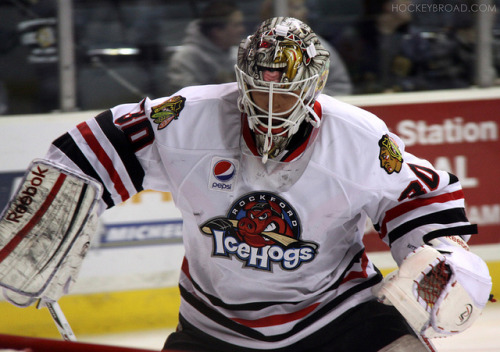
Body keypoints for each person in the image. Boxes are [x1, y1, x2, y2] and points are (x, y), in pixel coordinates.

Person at [1, 17, 492, 352]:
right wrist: (45, 215)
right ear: (240, 78)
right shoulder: (189, 117)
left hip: (335, 316)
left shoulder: (359, 138)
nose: (269, 104)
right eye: (259, 89)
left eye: (286, 92)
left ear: (314, 87)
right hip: (216, 325)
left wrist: (438, 254)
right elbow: (92, 147)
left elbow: (421, 194)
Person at [260, 0, 353, 95]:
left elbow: (341, 89)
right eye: (297, 8)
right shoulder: (257, 44)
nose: (305, 12)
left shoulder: (315, 45)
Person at [165, 0, 246, 94]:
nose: (242, 29)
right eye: (236, 25)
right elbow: (184, 98)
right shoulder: (184, 58)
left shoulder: (237, 53)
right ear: (217, 31)